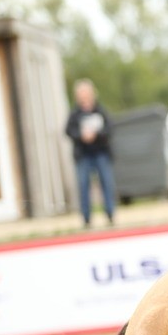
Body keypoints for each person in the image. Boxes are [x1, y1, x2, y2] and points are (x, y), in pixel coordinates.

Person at [64, 79, 116, 228]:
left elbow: (110, 129)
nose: (84, 96)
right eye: (81, 93)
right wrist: (81, 135)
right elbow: (68, 131)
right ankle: (86, 218)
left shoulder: (101, 110)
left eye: (86, 93)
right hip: (83, 156)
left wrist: (96, 135)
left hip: (101, 153)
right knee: (83, 186)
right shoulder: (74, 114)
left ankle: (110, 214)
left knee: (106, 183)